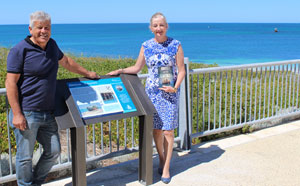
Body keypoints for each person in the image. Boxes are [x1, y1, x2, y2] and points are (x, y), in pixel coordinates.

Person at [5, 11, 99, 186]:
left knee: (54, 151)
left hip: (48, 112)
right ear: (30, 29)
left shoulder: (52, 45)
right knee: (25, 157)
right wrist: (17, 114)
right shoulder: (19, 50)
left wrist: (88, 73)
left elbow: (67, 62)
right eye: (39, 27)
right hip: (26, 112)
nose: (43, 31)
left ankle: (35, 182)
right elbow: (10, 83)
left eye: (47, 27)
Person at [107, 12, 185, 184]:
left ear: (167, 26)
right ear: (151, 28)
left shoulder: (176, 45)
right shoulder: (146, 46)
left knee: (168, 131)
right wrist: (120, 71)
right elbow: (137, 67)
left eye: (161, 25)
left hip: (170, 94)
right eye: (155, 25)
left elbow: (181, 70)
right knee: (156, 130)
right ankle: (161, 159)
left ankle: (166, 168)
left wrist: (175, 87)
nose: (159, 28)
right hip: (152, 94)